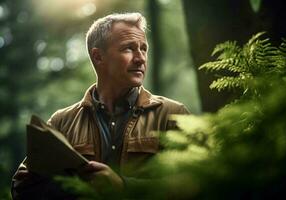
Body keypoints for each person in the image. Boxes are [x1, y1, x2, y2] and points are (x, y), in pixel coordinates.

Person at [11, 12, 189, 199]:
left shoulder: (174, 115)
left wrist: (123, 187)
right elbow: (21, 187)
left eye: (143, 49)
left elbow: (198, 184)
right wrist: (76, 189)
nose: (141, 58)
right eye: (129, 48)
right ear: (98, 57)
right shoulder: (61, 121)